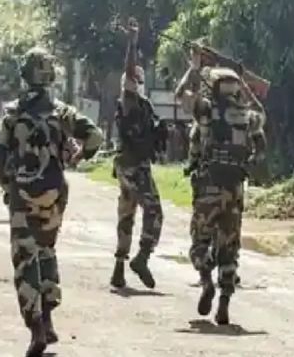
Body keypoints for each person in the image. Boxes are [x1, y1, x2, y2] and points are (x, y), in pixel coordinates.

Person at [0, 46, 103, 357]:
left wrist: (7, 187)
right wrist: (79, 157)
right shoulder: (62, 112)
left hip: (23, 193)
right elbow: (95, 136)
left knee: (25, 257)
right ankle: (50, 318)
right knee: (46, 250)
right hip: (54, 191)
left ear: (25, 75)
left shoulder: (12, 113)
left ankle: (36, 328)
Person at [178, 63, 265, 325]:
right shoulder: (247, 117)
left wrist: (193, 68)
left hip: (209, 189)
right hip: (235, 192)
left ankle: (206, 281)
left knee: (199, 244)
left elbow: (181, 95)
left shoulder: (206, 112)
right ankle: (224, 302)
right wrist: (245, 84)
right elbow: (262, 121)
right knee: (229, 250)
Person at [110, 19, 163, 290]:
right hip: (134, 166)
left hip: (129, 165)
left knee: (127, 214)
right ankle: (141, 257)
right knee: (154, 211)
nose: (138, 81)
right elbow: (129, 71)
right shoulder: (129, 102)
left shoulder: (142, 106)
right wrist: (132, 42)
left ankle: (119, 268)